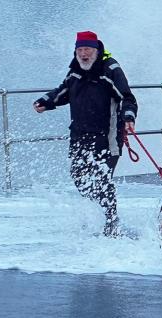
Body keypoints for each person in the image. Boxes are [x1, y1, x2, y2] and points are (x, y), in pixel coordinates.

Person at [34, 30, 138, 237]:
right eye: (80, 50)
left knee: (101, 179)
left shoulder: (110, 70)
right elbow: (64, 91)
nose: (84, 54)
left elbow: (127, 97)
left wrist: (128, 118)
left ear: (97, 50)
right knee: (79, 177)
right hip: (80, 135)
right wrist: (46, 101)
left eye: (88, 49)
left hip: (107, 137)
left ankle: (111, 222)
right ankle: (96, 215)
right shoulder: (76, 71)